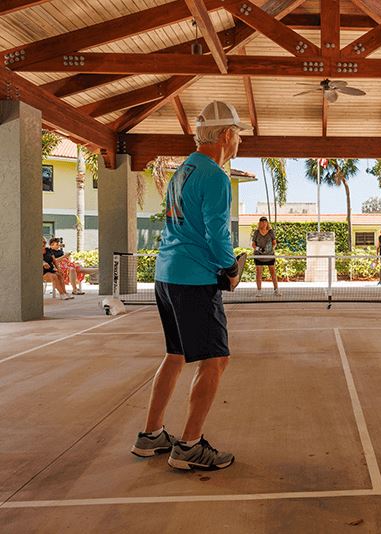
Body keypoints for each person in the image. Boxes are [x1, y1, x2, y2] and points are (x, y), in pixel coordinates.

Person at [130, 101, 247, 471]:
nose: (239, 141)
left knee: (176, 354)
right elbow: (217, 234)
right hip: (194, 279)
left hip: (167, 275)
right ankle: (190, 446)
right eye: (238, 134)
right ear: (226, 135)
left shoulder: (183, 170)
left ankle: (151, 435)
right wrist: (230, 268)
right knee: (215, 359)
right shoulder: (215, 176)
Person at [251, 216, 279, 296]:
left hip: (269, 256)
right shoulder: (256, 232)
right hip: (258, 256)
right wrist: (259, 249)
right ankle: (259, 291)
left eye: (265, 221)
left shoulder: (271, 232)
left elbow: (274, 243)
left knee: (273, 273)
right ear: (260, 223)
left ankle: (276, 290)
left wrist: (269, 249)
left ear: (267, 223)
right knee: (259, 273)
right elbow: (253, 244)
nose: (263, 223)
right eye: (262, 221)